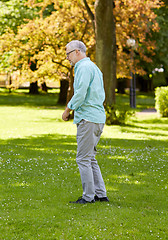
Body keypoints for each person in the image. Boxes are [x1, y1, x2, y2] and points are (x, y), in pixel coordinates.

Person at [62, 40, 109, 204]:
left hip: (88, 118)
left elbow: (81, 93)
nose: (67, 57)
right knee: (90, 158)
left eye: (68, 53)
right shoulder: (94, 67)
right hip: (97, 117)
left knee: (83, 159)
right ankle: (101, 194)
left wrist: (68, 108)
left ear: (77, 52)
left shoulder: (82, 67)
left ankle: (88, 197)